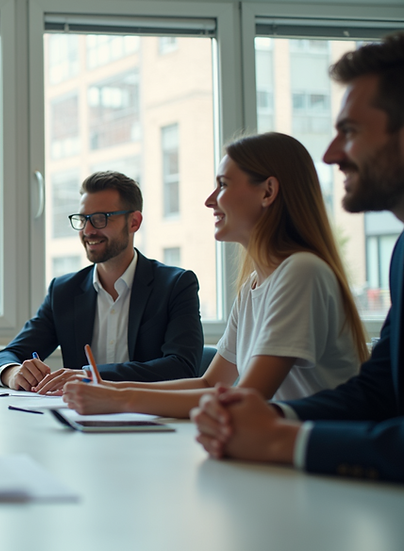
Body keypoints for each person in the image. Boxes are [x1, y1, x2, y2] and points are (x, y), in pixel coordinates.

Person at [192, 33, 404, 483]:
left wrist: (281, 438)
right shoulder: (402, 252)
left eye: (349, 132)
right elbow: (377, 393)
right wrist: (272, 417)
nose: (330, 155)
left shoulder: (302, 270)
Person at [61, 132, 368, 419]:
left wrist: (119, 400)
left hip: (324, 462)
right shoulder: (254, 285)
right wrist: (109, 388)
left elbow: (245, 398)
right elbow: (210, 383)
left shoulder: (302, 272)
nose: (210, 200)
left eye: (222, 184)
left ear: (268, 192)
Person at [0, 171, 203, 393]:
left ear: (134, 222)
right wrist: (12, 373)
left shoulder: (176, 285)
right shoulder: (64, 291)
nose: (88, 231)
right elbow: (6, 356)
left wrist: (90, 375)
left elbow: (183, 367)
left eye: (100, 218)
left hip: (151, 418)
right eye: (83, 219)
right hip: (79, 418)